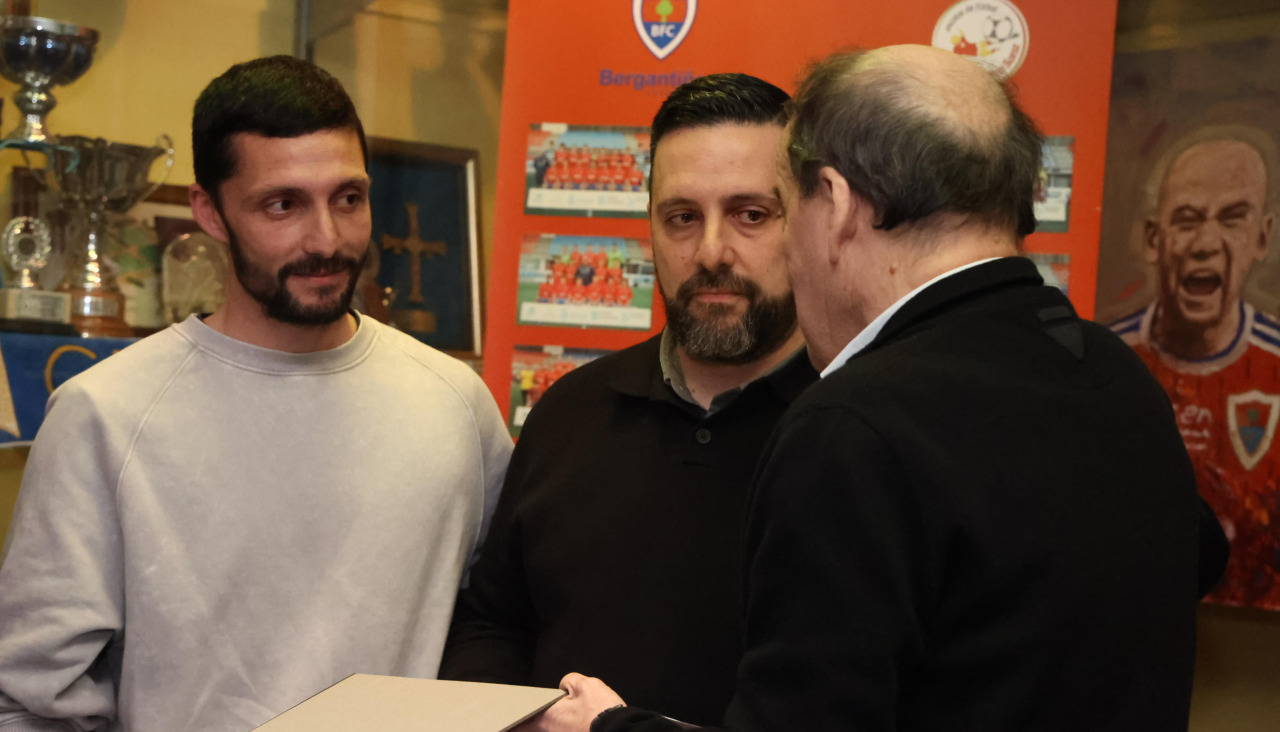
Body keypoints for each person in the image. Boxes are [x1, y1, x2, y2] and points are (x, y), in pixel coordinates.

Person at [530, 45, 1228, 732]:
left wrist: (609, 727)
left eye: (773, 208)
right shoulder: (1113, 370)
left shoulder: (854, 425)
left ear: (832, 203)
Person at [0, 56, 512, 732]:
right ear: (209, 212)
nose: (326, 239)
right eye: (283, 205)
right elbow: (32, 698)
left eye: (348, 198)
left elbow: (502, 628)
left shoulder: (455, 404)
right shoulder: (106, 413)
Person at [439, 73, 817, 727]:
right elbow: (493, 622)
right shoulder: (571, 412)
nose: (710, 251)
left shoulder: (854, 429)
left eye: (751, 214)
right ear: (648, 227)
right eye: (681, 218)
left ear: (806, 222)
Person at [1108, 126, 1279, 608]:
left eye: (1231, 219)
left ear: (1261, 237)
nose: (1205, 243)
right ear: (1153, 239)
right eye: (1186, 219)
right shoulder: (1106, 361)